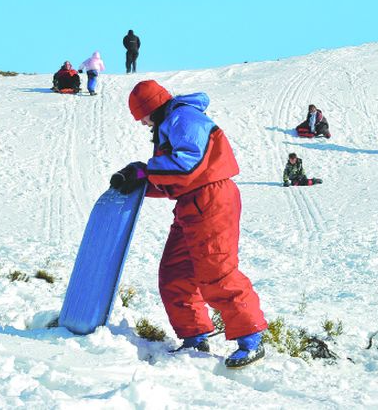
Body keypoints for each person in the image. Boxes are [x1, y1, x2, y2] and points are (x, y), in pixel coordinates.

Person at [109, 80, 267, 368]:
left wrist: (145, 172)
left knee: (216, 271)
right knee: (175, 273)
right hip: (190, 204)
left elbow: (188, 165)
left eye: (142, 117)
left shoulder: (185, 118)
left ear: (150, 108)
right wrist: (138, 182)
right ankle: (195, 335)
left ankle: (251, 337)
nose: (143, 123)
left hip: (212, 200)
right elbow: (176, 181)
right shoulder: (171, 121)